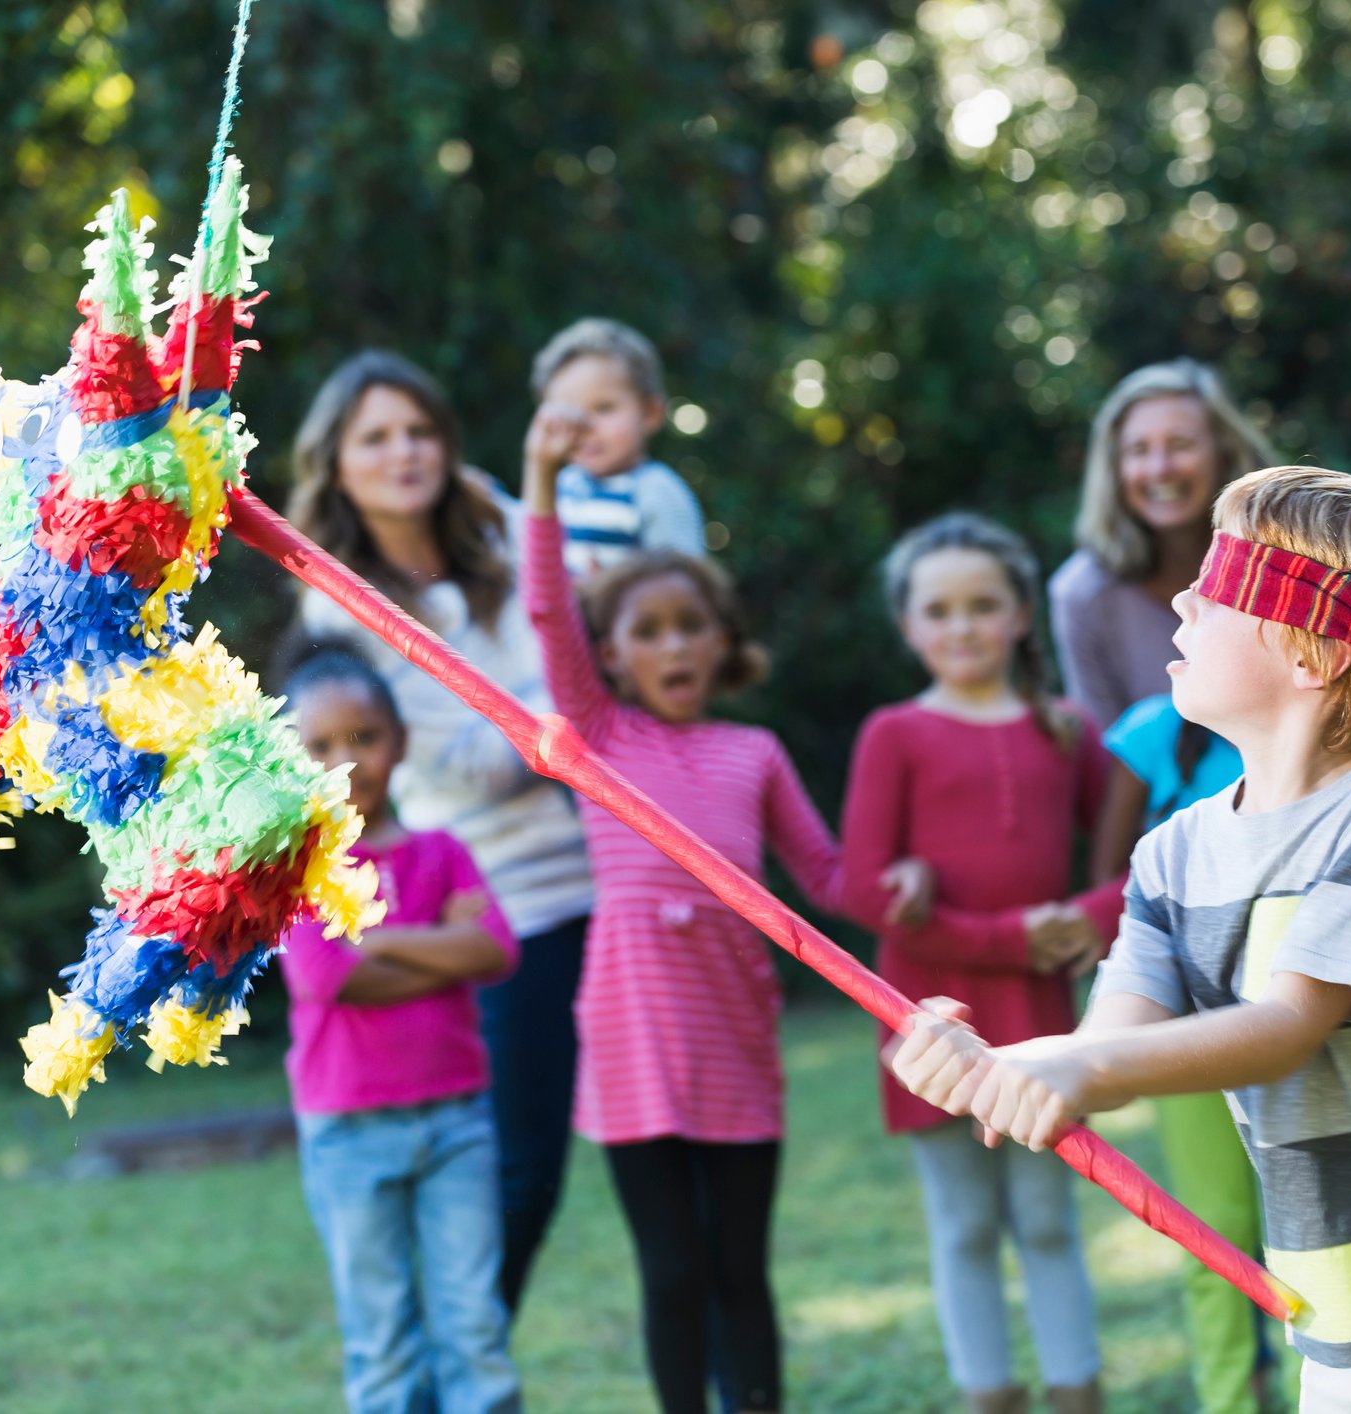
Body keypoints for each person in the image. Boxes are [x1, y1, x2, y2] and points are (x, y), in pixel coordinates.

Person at [892, 465, 1351, 1411]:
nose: (1181, 596)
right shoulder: (1172, 851)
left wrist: (1074, 1071)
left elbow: (1291, 1022)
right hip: (1336, 1304)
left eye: (1217, 587)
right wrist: (997, 1066)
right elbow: (1110, 1045)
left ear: (1313, 653)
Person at [521, 396, 920, 1414]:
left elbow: (830, 879)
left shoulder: (755, 754)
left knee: (739, 1270)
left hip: (735, 1032)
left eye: (690, 626)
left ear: (723, 639)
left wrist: (906, 884)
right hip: (630, 1034)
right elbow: (546, 615)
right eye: (646, 631)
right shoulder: (596, 738)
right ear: (610, 655)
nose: (673, 646)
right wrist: (541, 480)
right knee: (672, 1272)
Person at [289, 350, 594, 1322]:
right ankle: (443, 1376)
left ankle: (462, 1367)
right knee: (512, 1176)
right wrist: (575, 713)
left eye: (420, 429)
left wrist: (556, 713)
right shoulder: (341, 596)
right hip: (491, 889)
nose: (404, 451)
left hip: (597, 873)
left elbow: (595, 607)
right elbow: (464, 760)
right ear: (334, 464)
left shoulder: (496, 524)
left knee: (545, 1171)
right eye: (374, 436)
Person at [841, 513, 1119, 1414]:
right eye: (939, 610)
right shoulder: (893, 733)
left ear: (1019, 616)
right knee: (962, 1223)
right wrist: (1006, 937)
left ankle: (1076, 1391)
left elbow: (1134, 863)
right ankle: (987, 1396)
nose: (961, 626)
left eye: (982, 606)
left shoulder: (1066, 729)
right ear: (908, 625)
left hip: (1041, 1019)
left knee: (1046, 1215)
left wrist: (1084, 915)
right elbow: (864, 893)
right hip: (929, 1024)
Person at [278, 648, 523, 1414]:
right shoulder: (296, 868)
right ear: (287, 758)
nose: (347, 761)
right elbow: (323, 978)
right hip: (349, 1131)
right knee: (381, 1335)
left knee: (473, 1327)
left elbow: (496, 950)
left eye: (365, 737)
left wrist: (377, 940)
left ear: (400, 742)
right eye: (320, 746)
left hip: (456, 1121)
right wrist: (440, 950)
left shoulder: (442, 854)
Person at [1089, 691, 1291, 1414]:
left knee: (1306, 1238)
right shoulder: (1150, 733)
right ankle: (1229, 1400)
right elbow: (1112, 882)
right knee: (1214, 1235)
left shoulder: (1314, 726)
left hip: (1294, 1028)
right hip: (1184, 1028)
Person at [1048, 358, 1274, 729]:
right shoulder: (1081, 593)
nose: (1159, 469)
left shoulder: (1280, 563)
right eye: (1138, 450)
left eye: (1180, 444)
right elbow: (1103, 754)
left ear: (1225, 452)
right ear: (1115, 469)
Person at [531, 317, 707, 576]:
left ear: (650, 412)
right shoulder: (558, 488)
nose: (585, 427)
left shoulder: (657, 491)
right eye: (569, 414)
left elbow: (681, 588)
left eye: (604, 408)